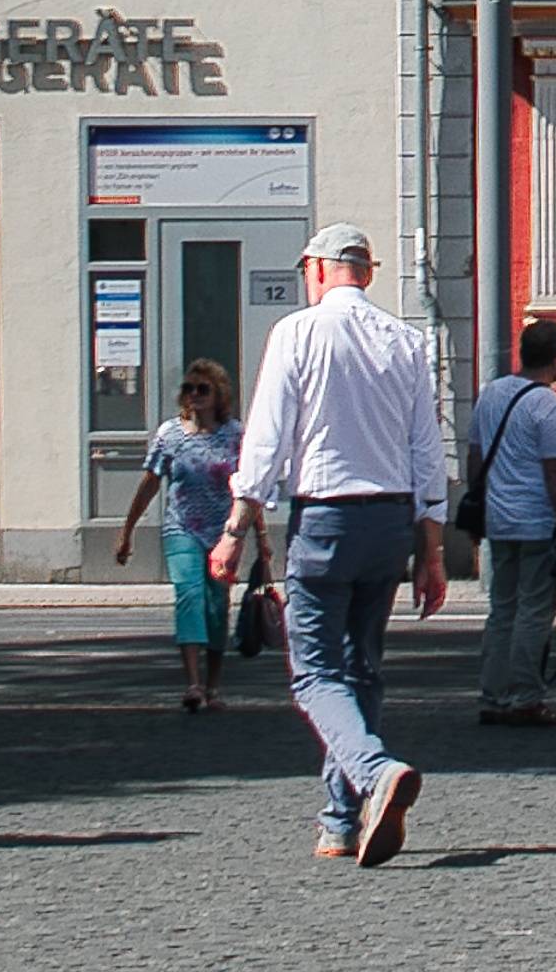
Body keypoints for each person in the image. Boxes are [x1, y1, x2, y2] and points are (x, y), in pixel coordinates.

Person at [213, 222, 449, 865]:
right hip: (391, 521)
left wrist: (236, 529)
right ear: (367, 273)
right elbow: (426, 449)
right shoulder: (407, 340)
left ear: (315, 270)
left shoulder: (295, 332)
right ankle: (339, 822)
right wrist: (431, 550)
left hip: (325, 517)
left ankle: (374, 776)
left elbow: (265, 441)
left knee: (316, 672)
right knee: (361, 668)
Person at [113, 356, 247, 710]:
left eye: (203, 389)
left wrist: (258, 537)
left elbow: (248, 488)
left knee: (217, 606)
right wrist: (127, 530)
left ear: (219, 394)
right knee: (189, 595)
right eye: (189, 389)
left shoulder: (235, 435)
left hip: (224, 532)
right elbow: (150, 483)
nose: (195, 395)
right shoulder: (169, 434)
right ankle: (194, 683)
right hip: (181, 528)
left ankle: (214, 684)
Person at [469, 319, 556, 728]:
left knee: (501, 610)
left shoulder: (492, 394)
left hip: (499, 519)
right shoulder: (547, 405)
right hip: (536, 519)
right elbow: (555, 474)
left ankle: (492, 694)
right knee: (534, 611)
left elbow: (475, 460)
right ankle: (525, 696)